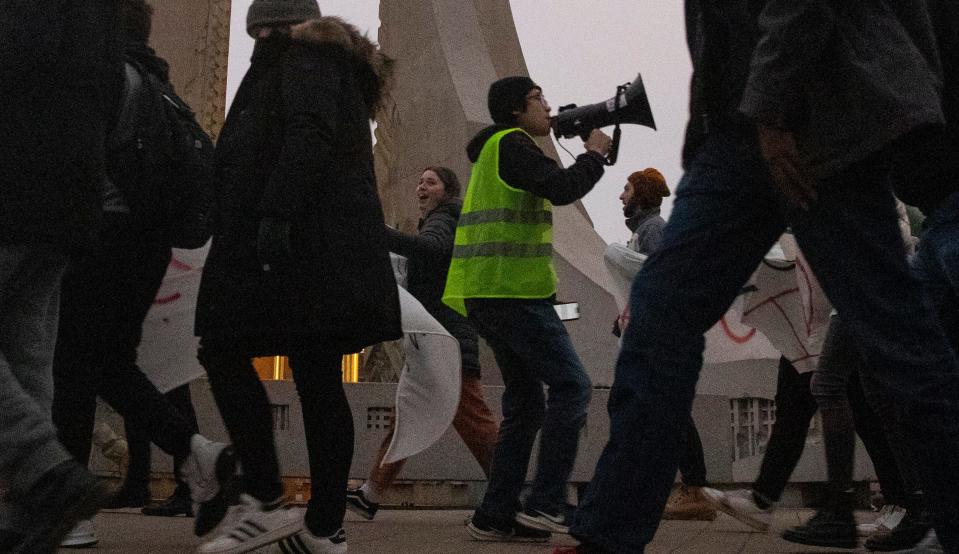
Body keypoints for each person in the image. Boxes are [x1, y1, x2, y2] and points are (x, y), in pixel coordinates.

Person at [564, 3, 959, 553]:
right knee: (663, 311)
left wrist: (772, 113)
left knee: (901, 340)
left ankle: (609, 530)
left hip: (814, 115)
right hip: (749, 126)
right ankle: (607, 534)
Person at [193, 1, 401, 552]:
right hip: (323, 249)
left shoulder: (302, 58)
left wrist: (273, 215)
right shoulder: (328, 62)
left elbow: (307, 133)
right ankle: (324, 527)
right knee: (318, 376)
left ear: (268, 27)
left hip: (296, 245)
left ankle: (264, 498)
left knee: (221, 345)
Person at [50, 1, 230, 548]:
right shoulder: (162, 89)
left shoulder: (105, 76)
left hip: (99, 237)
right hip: (147, 247)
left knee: (73, 372)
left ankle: (71, 513)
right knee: (108, 365)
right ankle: (198, 451)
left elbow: (74, 162)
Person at [442, 76, 611, 542]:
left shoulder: (499, 148)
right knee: (573, 386)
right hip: (510, 293)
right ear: (517, 109)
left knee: (527, 403)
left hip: (493, 292)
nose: (548, 106)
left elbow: (553, 187)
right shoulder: (513, 144)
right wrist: (594, 154)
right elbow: (560, 188)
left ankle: (494, 515)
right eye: (539, 98)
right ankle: (545, 505)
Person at [0, 3, 123, 553]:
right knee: (28, 350)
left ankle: (44, 469)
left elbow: (17, 52)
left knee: (27, 345)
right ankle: (27, 517)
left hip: (16, 175)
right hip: (70, 189)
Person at [346, 167, 499, 520]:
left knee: (474, 421)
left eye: (430, 182)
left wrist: (379, 233)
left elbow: (429, 250)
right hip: (432, 341)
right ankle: (370, 494)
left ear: (447, 191)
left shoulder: (444, 218)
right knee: (407, 419)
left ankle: (509, 494)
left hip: (446, 341)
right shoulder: (441, 219)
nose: (421, 187)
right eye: (419, 181)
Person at [617, 168, 715, 522]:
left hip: (658, 336)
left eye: (627, 189)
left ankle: (694, 488)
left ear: (641, 194)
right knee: (650, 413)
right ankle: (676, 488)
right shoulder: (645, 231)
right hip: (651, 332)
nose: (621, 196)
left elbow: (665, 279)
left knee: (667, 411)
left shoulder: (653, 230)